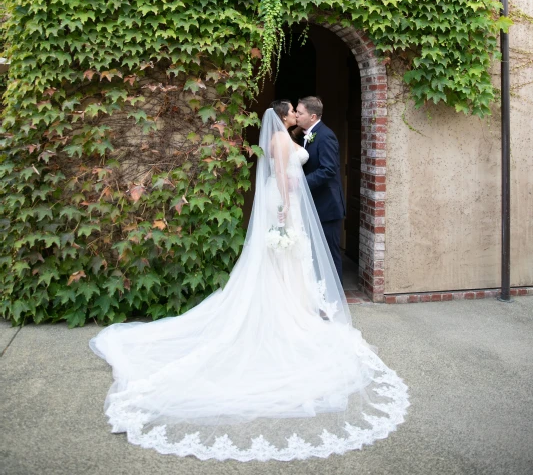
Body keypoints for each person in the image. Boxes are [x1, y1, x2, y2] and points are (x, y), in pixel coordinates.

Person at [89, 103, 408, 462]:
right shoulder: (284, 140)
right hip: (285, 202)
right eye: (294, 111)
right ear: (286, 115)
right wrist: (288, 207)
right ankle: (291, 308)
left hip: (280, 198)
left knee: (282, 259)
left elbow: (287, 173)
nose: (296, 114)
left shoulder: (282, 138)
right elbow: (290, 179)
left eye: (300, 111)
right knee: (289, 256)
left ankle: (288, 302)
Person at [295, 97, 345, 283]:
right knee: (315, 254)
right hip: (314, 204)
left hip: (327, 206)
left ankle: (335, 301)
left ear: (313, 116)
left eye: (300, 113)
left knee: (330, 255)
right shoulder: (305, 134)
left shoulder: (325, 136)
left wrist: (300, 183)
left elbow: (328, 169)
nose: (297, 116)